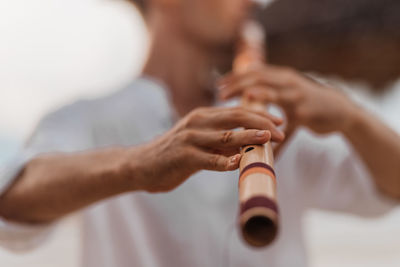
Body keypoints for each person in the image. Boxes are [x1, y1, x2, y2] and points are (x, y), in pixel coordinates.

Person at [0, 0, 399, 266]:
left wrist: (352, 118)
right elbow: (14, 197)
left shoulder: (280, 113)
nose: (250, 4)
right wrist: (139, 164)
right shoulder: (86, 119)